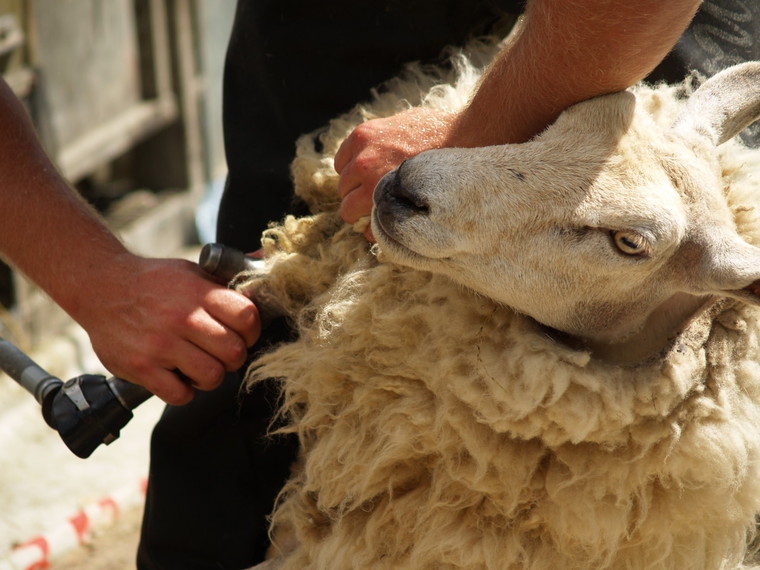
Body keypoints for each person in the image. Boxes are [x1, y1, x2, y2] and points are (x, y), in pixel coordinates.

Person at [0, 0, 751, 567]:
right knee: (242, 490)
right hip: (336, 144)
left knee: (682, 494)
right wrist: (91, 276)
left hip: (630, 91)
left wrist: (474, 137)